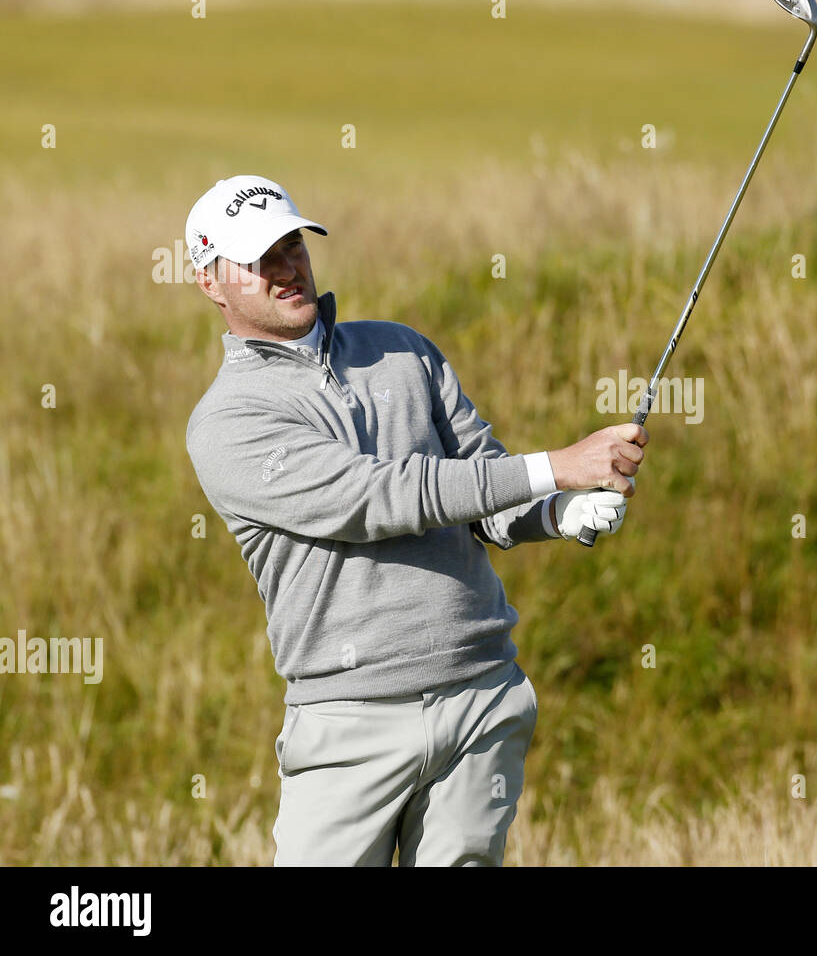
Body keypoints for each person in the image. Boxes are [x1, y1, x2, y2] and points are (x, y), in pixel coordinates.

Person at [183, 175, 647, 866]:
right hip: (350, 722)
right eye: (259, 257)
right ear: (211, 282)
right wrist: (558, 466)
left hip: (479, 698)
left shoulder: (403, 350)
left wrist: (557, 512)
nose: (286, 267)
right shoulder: (226, 422)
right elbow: (381, 497)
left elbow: (483, 490)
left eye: (292, 244)